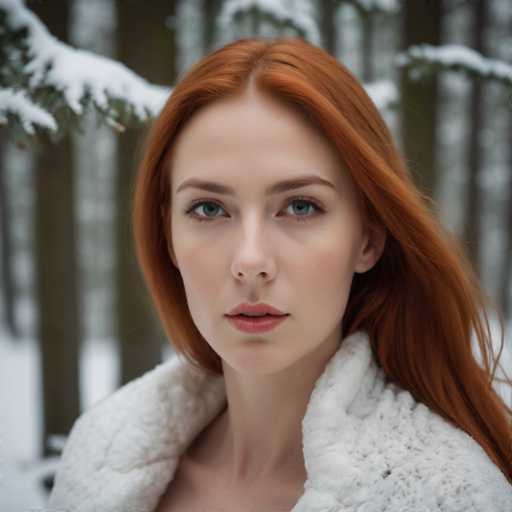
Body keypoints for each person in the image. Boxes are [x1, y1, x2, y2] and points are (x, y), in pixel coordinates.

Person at [48, 37, 512, 512]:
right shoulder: (97, 459)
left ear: (368, 240)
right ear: (167, 235)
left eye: (300, 206)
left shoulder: (445, 496)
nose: (250, 260)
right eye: (209, 208)